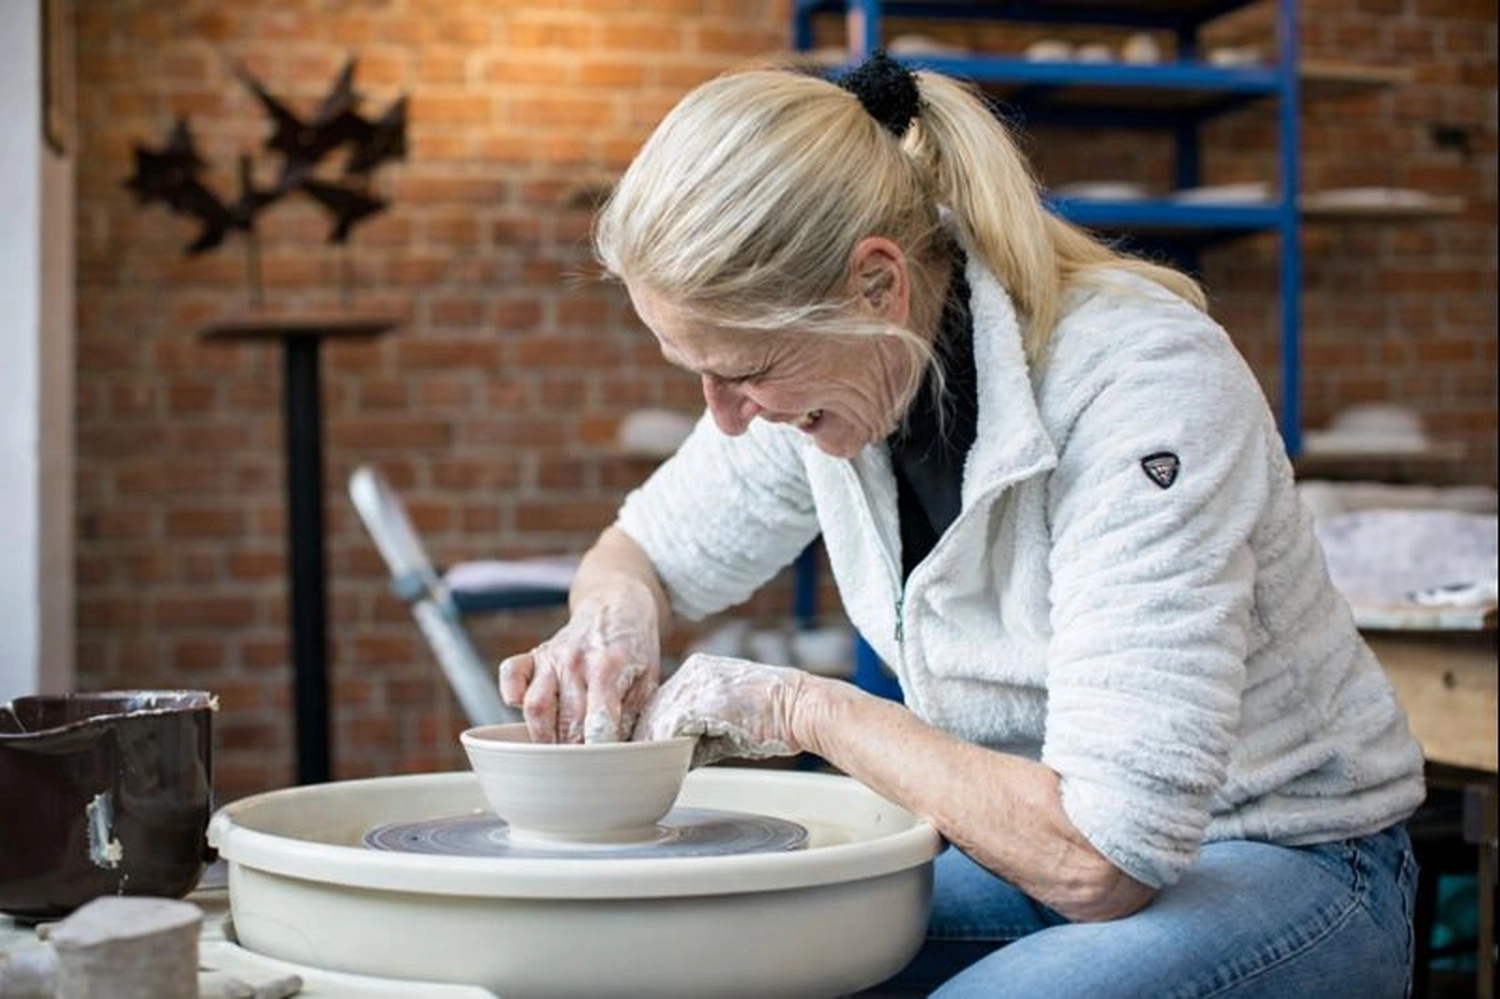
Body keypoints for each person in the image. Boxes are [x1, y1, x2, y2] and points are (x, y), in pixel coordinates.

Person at [497, 51, 1425, 997]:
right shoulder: (821, 373)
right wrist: (608, 620)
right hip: (1025, 850)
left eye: (742, 370)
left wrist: (800, 707)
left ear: (876, 286)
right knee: (698, 957)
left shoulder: (1141, 384)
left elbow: (1102, 859)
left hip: (1290, 858)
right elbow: (641, 551)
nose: (725, 413)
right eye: (698, 372)